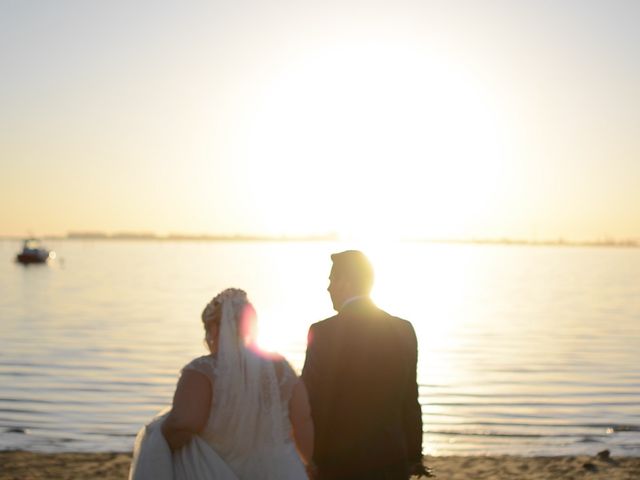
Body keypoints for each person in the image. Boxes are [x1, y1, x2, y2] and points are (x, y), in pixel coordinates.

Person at [129, 288, 314, 480]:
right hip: (282, 471)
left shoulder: (203, 370)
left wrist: (159, 438)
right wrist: (307, 462)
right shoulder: (281, 368)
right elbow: (302, 420)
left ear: (215, 329)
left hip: (217, 469)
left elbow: (184, 423)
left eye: (207, 330)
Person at [302, 251, 425, 479]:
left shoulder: (322, 332)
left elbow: (311, 400)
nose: (328, 288)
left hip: (338, 462)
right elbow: (410, 400)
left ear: (346, 282)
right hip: (391, 460)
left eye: (331, 280)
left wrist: (310, 457)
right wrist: (414, 457)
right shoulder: (403, 330)